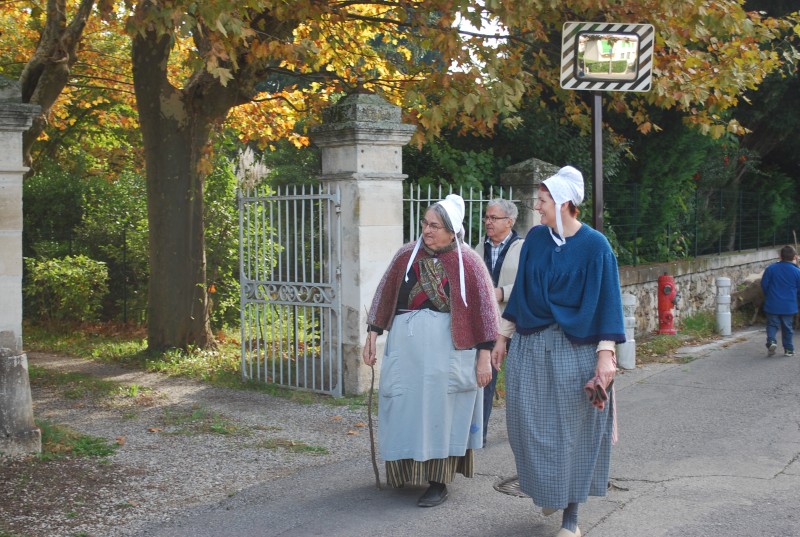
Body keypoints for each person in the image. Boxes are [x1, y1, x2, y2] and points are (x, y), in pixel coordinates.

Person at [491, 166, 625, 537]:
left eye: (543, 200)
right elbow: (520, 294)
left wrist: (605, 354)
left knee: (573, 434)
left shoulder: (595, 247)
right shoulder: (535, 240)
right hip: (530, 346)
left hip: (575, 350)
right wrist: (502, 337)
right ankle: (551, 490)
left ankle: (571, 518)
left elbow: (607, 304)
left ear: (565, 202)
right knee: (525, 427)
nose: (537, 207)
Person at [362, 194, 500, 508]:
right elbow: (384, 296)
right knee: (404, 409)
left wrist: (483, 356)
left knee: (442, 415)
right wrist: (372, 334)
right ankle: (405, 473)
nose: (427, 230)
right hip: (407, 354)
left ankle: (438, 482)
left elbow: (486, 314)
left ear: (452, 231)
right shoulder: (406, 255)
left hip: (447, 356)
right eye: (425, 223)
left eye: (434, 226)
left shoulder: (469, 263)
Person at [474, 198, 523, 446]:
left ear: (509, 221)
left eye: (494, 218)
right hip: (486, 325)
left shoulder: (523, 247)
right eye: (486, 217)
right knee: (483, 379)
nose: (487, 222)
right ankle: (477, 436)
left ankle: (523, 434)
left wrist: (502, 292)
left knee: (518, 382)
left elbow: (530, 285)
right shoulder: (478, 249)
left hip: (515, 325)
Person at [760, 244, 800, 357]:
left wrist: (769, 296)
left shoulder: (770, 269)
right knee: (787, 327)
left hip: (772, 303)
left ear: (780, 256)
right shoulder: (797, 272)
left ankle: (772, 341)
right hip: (789, 305)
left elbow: (764, 285)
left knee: (772, 325)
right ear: (794, 257)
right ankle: (788, 349)